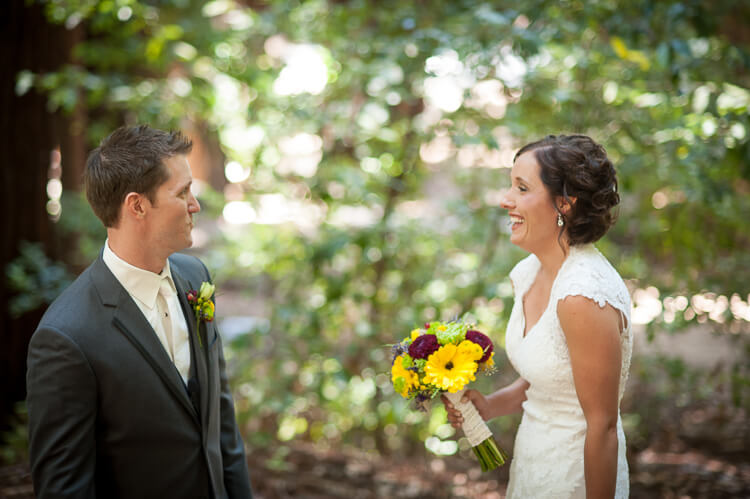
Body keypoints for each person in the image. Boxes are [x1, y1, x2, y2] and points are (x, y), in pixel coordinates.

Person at [26, 125, 253, 498]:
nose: (195, 205)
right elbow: (64, 488)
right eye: (182, 193)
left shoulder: (195, 276)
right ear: (137, 206)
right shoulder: (66, 338)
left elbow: (221, 424)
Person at [443, 134, 632, 498]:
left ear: (564, 204)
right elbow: (552, 378)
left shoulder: (583, 296)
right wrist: (488, 405)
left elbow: (603, 426)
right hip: (532, 465)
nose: (505, 199)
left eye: (522, 188)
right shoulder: (529, 272)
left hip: (576, 476)